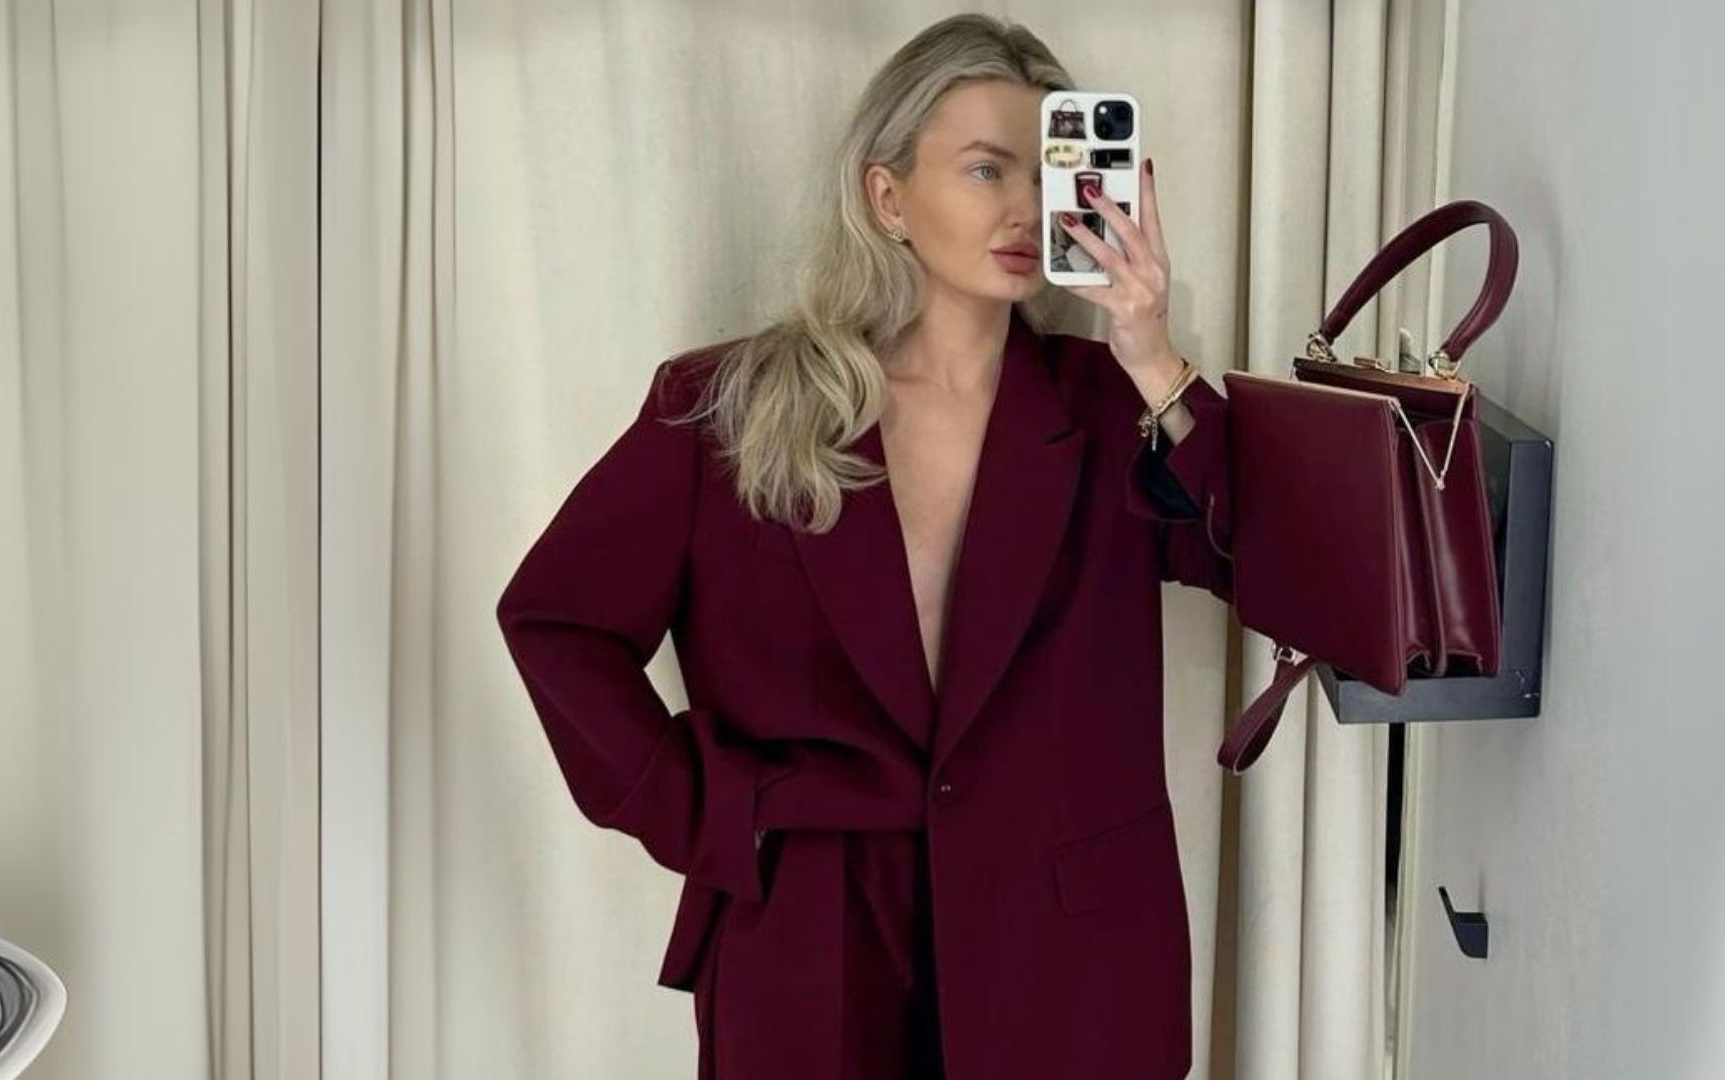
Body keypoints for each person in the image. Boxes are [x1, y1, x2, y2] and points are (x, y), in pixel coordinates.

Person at [495, 13, 1249, 1080]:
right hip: (813, 936)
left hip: (1064, 954)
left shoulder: (1112, 407)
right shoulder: (727, 407)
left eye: (1048, 172)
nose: (1025, 207)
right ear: (887, 196)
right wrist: (718, 812)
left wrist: (1154, 355)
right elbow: (556, 622)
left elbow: (1263, 567)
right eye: (986, 168)